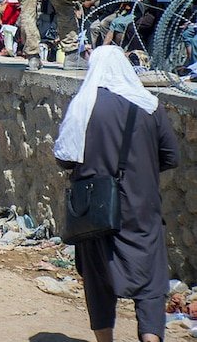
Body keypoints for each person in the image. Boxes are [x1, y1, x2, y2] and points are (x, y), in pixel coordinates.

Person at [53, 46, 179, 342]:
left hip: (96, 207)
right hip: (141, 205)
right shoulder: (148, 105)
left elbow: (64, 157)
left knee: (98, 278)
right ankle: (151, 338)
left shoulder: (84, 104)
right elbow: (171, 156)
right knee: (150, 279)